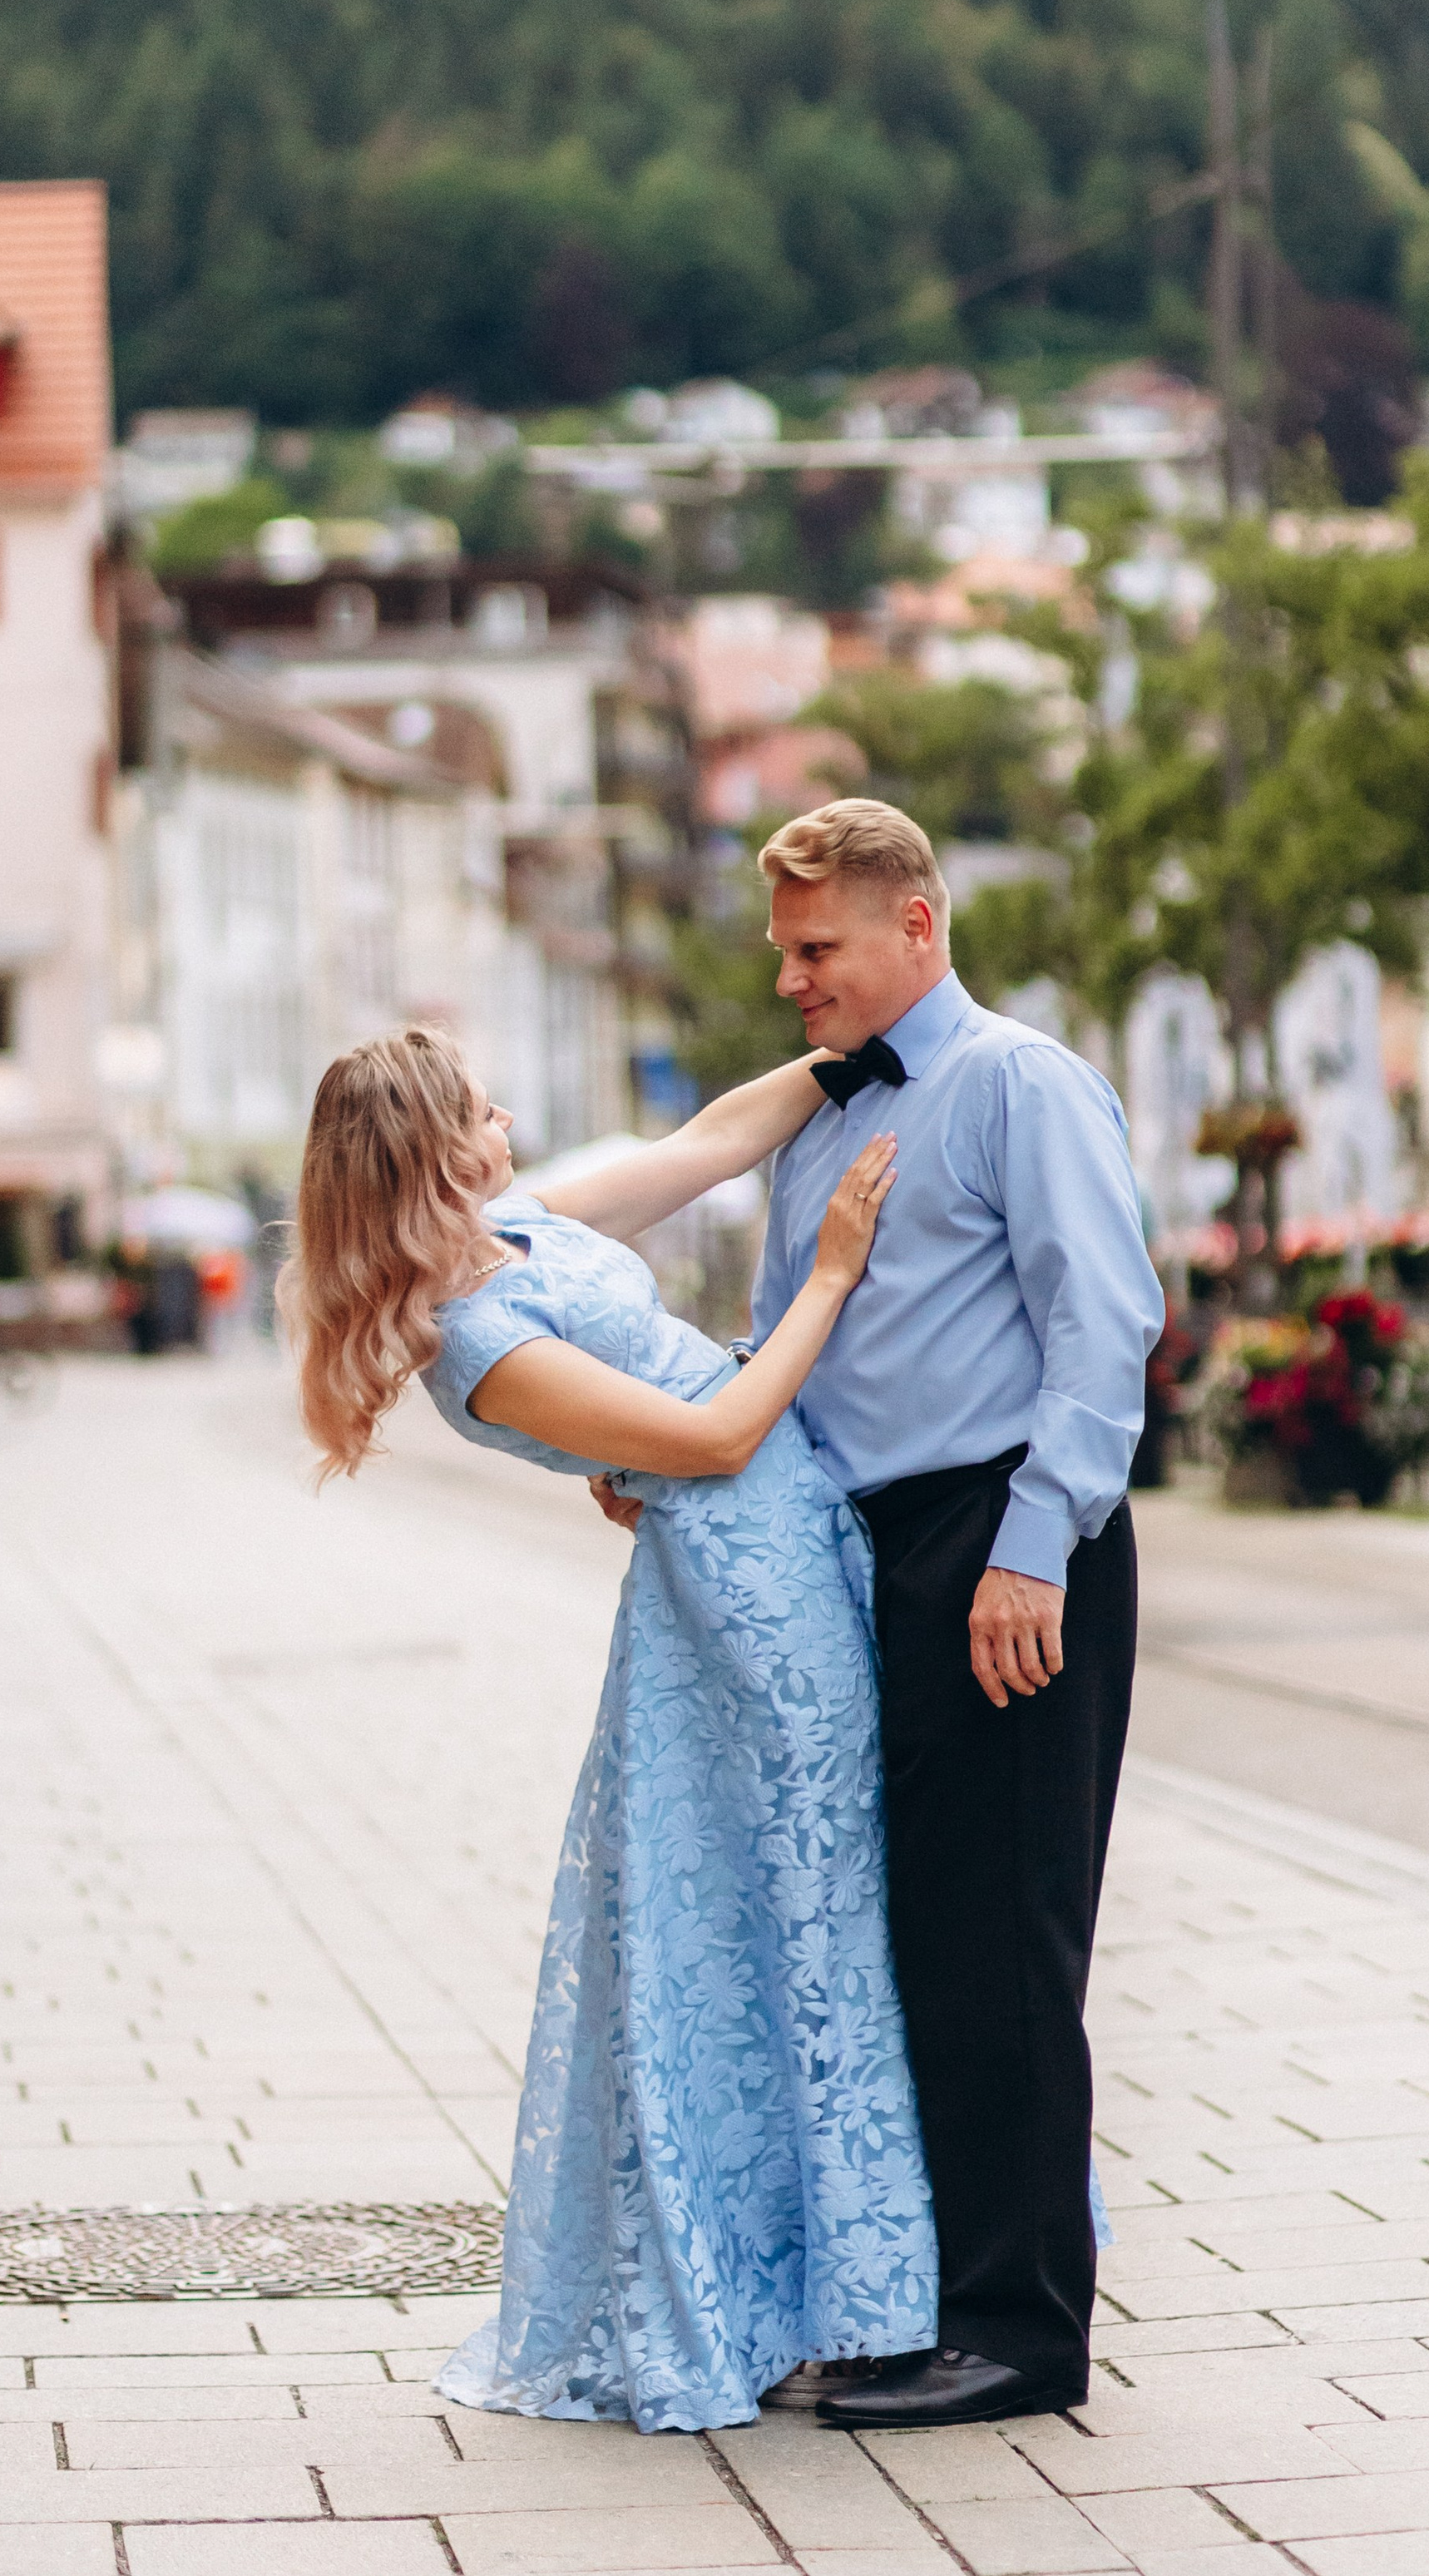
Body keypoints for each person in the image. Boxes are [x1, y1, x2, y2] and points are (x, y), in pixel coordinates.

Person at [279, 1026, 937, 2433]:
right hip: (744, 1573)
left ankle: (858, 2276)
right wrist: (827, 1274)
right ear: (438, 1153)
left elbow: (703, 1146)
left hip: (778, 1527)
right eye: (483, 1105)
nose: (509, 1113)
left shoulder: (520, 1233)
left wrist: (851, 1055)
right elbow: (707, 1443)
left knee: (816, 1897)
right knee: (811, 1907)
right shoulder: (477, 1345)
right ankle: (853, 2293)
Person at [739, 798, 1164, 2428]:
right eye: (782, 952)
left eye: (815, 948)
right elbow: (805, 1348)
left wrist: (1031, 1545)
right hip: (885, 1554)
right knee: (916, 1944)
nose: (792, 980)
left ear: (913, 927)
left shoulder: (1015, 1085)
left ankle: (1020, 2331)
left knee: (1002, 1944)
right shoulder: (819, 1124)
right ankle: (918, 2307)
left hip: (1004, 1542)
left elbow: (1101, 1323)